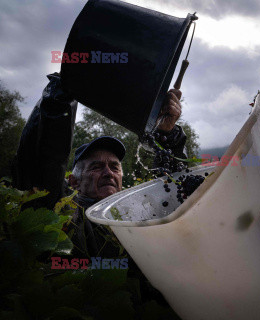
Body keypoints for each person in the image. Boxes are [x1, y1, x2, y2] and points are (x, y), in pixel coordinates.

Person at [12, 72, 186, 258]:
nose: (108, 173)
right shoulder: (65, 213)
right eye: (96, 167)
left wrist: (168, 135)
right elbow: (44, 161)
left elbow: (172, 194)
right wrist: (60, 96)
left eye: (114, 167)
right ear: (73, 182)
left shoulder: (137, 216)